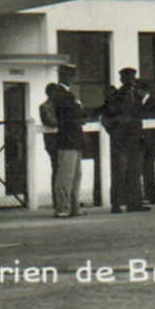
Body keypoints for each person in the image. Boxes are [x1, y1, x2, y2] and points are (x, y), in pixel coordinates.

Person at [101, 69, 149, 213]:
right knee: (119, 172)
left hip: (135, 139)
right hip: (121, 141)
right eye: (127, 79)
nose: (131, 82)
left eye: (133, 79)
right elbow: (107, 118)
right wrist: (115, 134)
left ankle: (133, 203)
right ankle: (116, 204)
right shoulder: (114, 96)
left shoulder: (137, 96)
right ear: (121, 80)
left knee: (134, 172)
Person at [44, 82, 86, 218]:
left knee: (75, 175)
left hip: (75, 140)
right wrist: (77, 119)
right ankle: (62, 208)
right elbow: (55, 121)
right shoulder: (59, 101)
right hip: (66, 141)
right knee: (65, 176)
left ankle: (73, 207)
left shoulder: (70, 97)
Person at [137, 80, 155, 206]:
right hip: (140, 140)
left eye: (139, 89)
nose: (137, 92)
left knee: (148, 168)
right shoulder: (137, 103)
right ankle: (142, 196)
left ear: (145, 90)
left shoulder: (154, 103)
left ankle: (151, 196)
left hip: (151, 141)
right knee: (141, 168)